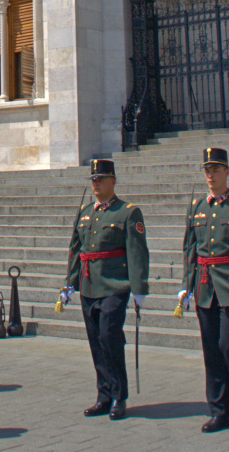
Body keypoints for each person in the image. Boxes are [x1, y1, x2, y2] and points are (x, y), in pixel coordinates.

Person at [177, 148, 229, 433]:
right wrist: (185, 287)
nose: (210, 175)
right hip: (204, 287)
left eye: (216, 170)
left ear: (227, 172)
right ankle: (219, 411)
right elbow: (190, 249)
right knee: (211, 351)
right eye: (207, 171)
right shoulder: (197, 206)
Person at [61, 159, 150, 421]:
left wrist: (139, 288)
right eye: (93, 180)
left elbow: (137, 252)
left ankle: (119, 395)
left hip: (114, 285)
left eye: (101, 179)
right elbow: (76, 250)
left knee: (109, 336)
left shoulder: (128, 212)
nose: (96, 184)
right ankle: (104, 395)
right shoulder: (86, 211)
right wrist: (69, 282)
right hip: (89, 286)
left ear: (113, 180)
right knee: (96, 341)